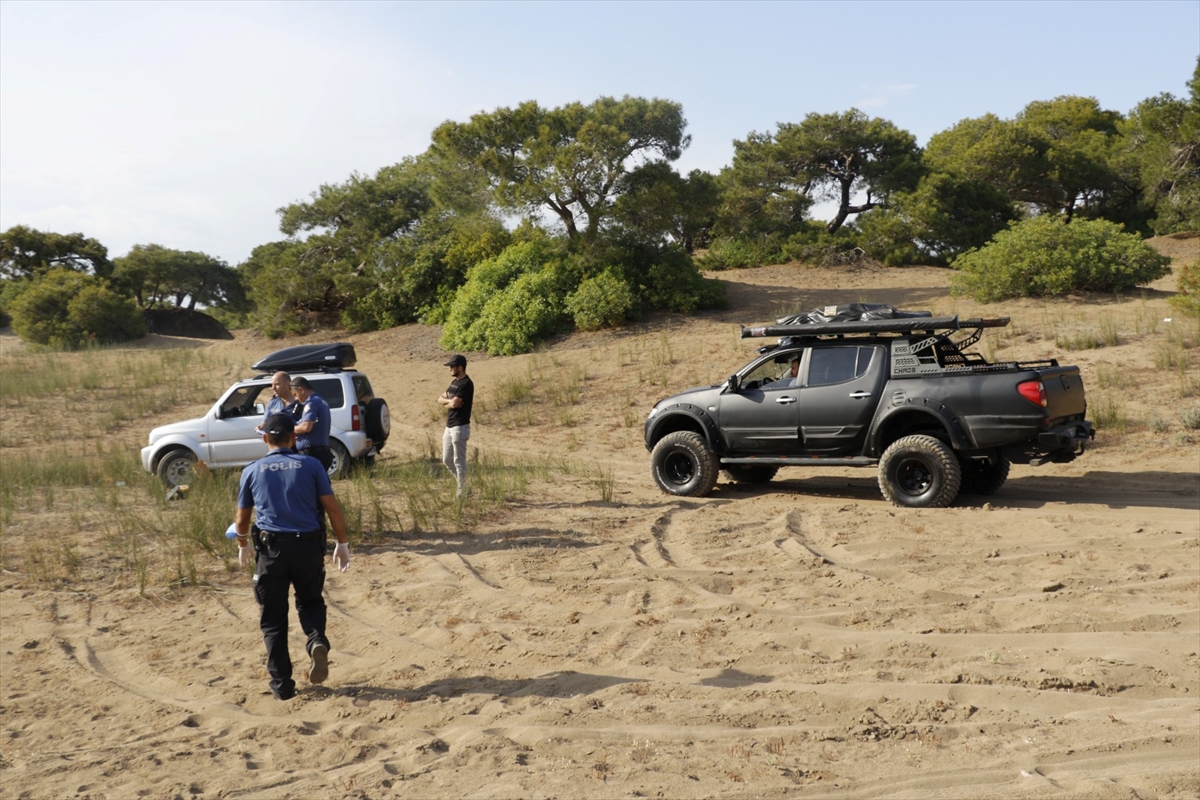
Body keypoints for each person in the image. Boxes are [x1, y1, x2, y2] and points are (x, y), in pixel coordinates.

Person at [233, 413, 351, 701]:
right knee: (310, 601)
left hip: (272, 551)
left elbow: (242, 517)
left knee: (273, 619)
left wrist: (243, 543)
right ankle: (316, 641)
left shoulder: (252, 470)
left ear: (265, 438)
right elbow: (332, 508)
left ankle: (283, 685)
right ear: (293, 437)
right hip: (308, 547)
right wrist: (343, 543)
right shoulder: (310, 465)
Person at [437, 354, 473, 496]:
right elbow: (441, 399)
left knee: (459, 461)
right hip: (449, 426)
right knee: (446, 459)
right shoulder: (454, 383)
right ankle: (464, 486)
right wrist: (449, 402)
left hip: (460, 426)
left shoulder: (466, 384)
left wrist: (449, 402)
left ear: (460, 367)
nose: (449, 369)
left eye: (452, 366)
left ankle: (461, 493)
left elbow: (452, 402)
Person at [290, 377, 333, 473]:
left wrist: (289, 429)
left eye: (295, 395)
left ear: (301, 390)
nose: (296, 399)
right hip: (319, 453)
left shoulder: (311, 402)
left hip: (312, 454)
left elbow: (306, 427)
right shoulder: (320, 400)